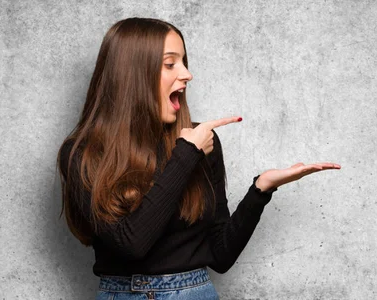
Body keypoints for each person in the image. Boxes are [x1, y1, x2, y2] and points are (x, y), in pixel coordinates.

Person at [57, 17, 340, 300]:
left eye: (184, 62)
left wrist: (260, 190)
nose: (187, 74)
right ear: (133, 74)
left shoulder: (202, 143)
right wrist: (186, 155)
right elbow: (132, 244)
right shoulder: (82, 153)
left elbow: (220, 256)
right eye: (170, 64)